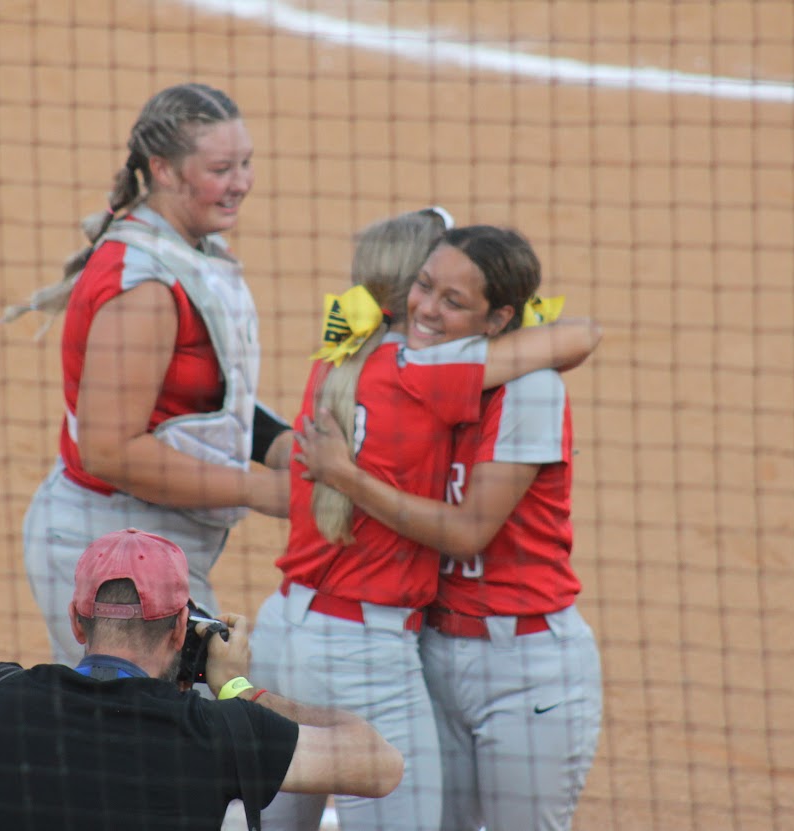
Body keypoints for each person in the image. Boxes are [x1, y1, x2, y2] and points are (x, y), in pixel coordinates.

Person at [248, 216, 602, 831]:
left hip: (502, 657)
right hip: (398, 646)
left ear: (497, 319)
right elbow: (580, 333)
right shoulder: (420, 369)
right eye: (425, 285)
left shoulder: (346, 351)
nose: (430, 307)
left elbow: (468, 529)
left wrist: (332, 473)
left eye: (453, 298)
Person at [16, 82, 292, 665]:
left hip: (147, 539)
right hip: (112, 551)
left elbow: (206, 395)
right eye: (221, 168)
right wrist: (263, 489)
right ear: (163, 170)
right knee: (159, 739)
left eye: (245, 163)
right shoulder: (143, 287)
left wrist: (281, 447)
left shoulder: (190, 248)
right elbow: (109, 451)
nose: (240, 182)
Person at [0, 527, 404, 831]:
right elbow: (380, 764)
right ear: (181, 630)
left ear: (78, 624)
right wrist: (238, 689)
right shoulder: (214, 732)